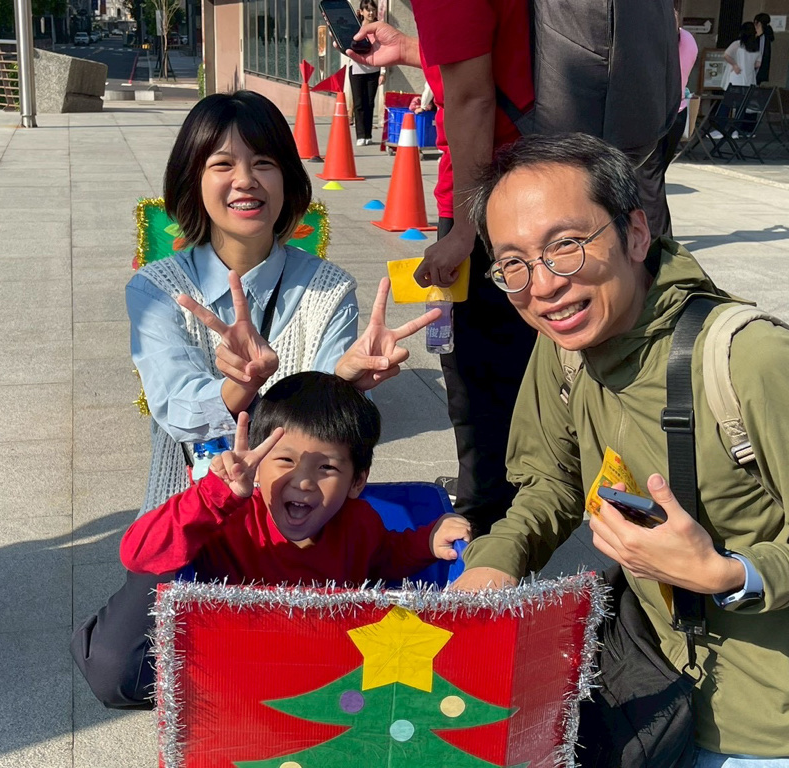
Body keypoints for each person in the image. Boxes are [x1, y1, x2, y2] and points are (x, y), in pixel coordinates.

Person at [451, 133, 789, 765]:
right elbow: (552, 482)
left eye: (566, 245)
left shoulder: (753, 361)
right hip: (651, 689)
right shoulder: (564, 348)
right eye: (514, 264)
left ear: (636, 234)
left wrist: (729, 574)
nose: (543, 285)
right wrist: (497, 561)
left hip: (780, 726)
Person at [124, 91, 438, 518]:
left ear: (287, 179)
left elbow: (324, 431)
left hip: (295, 520)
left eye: (263, 163)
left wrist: (342, 383)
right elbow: (176, 408)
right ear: (192, 181)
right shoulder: (157, 289)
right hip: (188, 518)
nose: (245, 179)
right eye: (222, 164)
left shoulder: (329, 289)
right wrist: (241, 385)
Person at [77, 371, 472, 708]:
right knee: (117, 669)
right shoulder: (228, 518)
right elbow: (139, 554)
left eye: (326, 467)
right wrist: (211, 498)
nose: (303, 481)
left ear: (357, 482)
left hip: (311, 672)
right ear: (257, 463)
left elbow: (385, 557)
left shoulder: (360, 523)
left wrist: (426, 541)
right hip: (230, 671)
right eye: (284, 460)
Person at [346, 4, 539, 536]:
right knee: (516, 360)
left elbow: (473, 96)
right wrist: (411, 50)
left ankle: (488, 519)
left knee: (474, 370)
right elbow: (494, 61)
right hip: (536, 183)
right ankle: (506, 493)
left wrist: (465, 229)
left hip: (491, 197)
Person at [634, 0, 699, 238]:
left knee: (649, 184)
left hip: (651, 118)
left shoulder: (650, 41)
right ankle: (649, 238)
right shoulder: (688, 40)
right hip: (677, 114)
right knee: (653, 181)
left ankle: (660, 242)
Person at [348, 0, 383, 145]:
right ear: (361, 12)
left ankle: (368, 134)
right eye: (368, 10)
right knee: (359, 103)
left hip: (374, 69)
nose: (371, 12)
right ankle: (360, 135)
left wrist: (383, 71)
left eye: (373, 10)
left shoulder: (380, 28)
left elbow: (384, 50)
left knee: (369, 102)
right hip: (356, 69)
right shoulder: (355, 27)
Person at [723, 22, 761, 88]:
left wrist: (734, 65)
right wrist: (749, 65)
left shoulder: (738, 44)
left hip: (737, 76)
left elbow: (726, 55)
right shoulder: (756, 48)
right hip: (750, 78)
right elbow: (758, 64)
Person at [754, 13, 775, 85]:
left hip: (757, 68)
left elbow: (761, 53)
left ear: (759, 23)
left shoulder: (762, 38)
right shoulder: (766, 36)